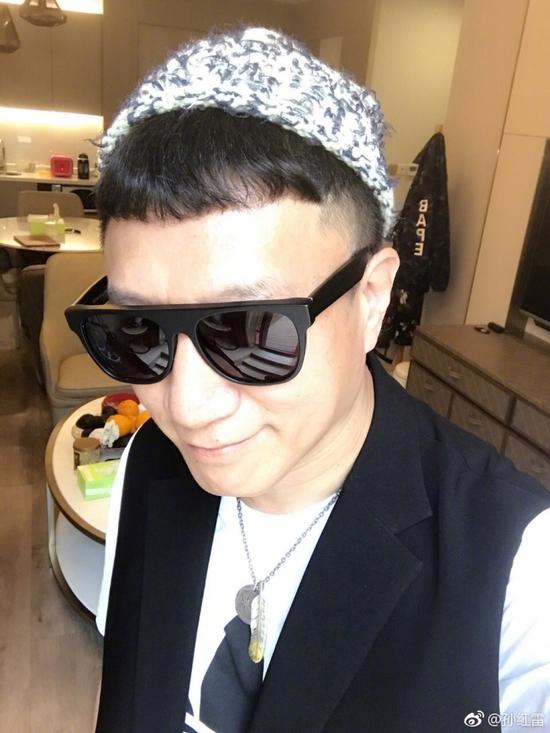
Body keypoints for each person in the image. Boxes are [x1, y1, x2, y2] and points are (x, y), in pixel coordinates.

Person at [66, 26, 550, 733]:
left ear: (371, 297)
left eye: (252, 331)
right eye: (140, 330)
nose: (187, 405)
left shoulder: (520, 575)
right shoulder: (151, 463)